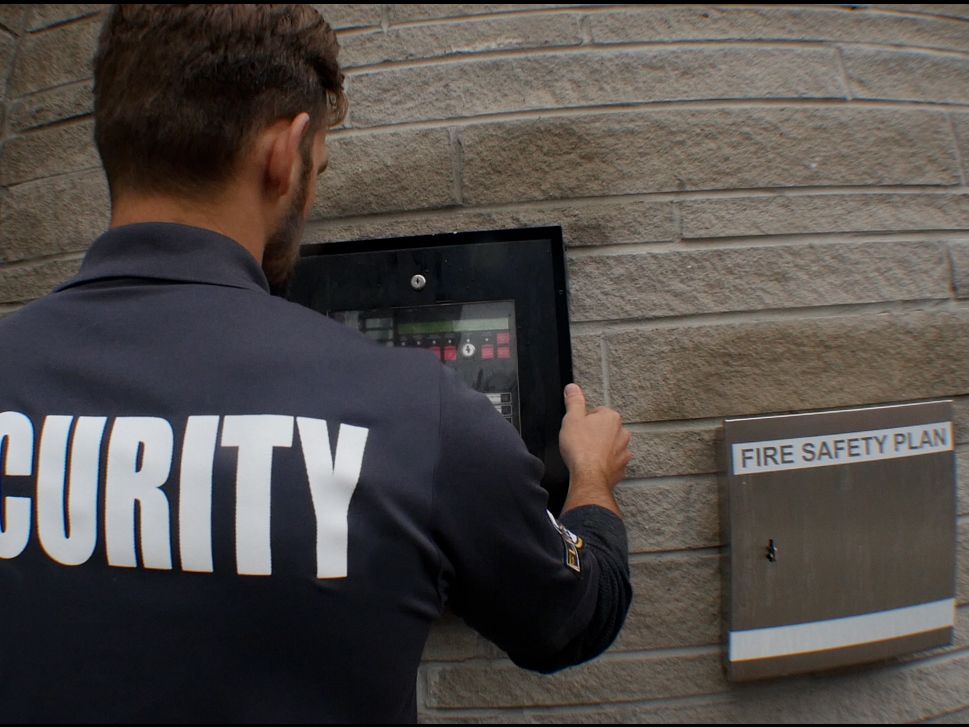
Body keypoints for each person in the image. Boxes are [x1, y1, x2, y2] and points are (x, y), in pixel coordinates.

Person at [0, 5, 633, 722]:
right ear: (285, 151)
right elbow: (575, 613)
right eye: (319, 165)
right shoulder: (415, 414)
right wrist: (589, 476)